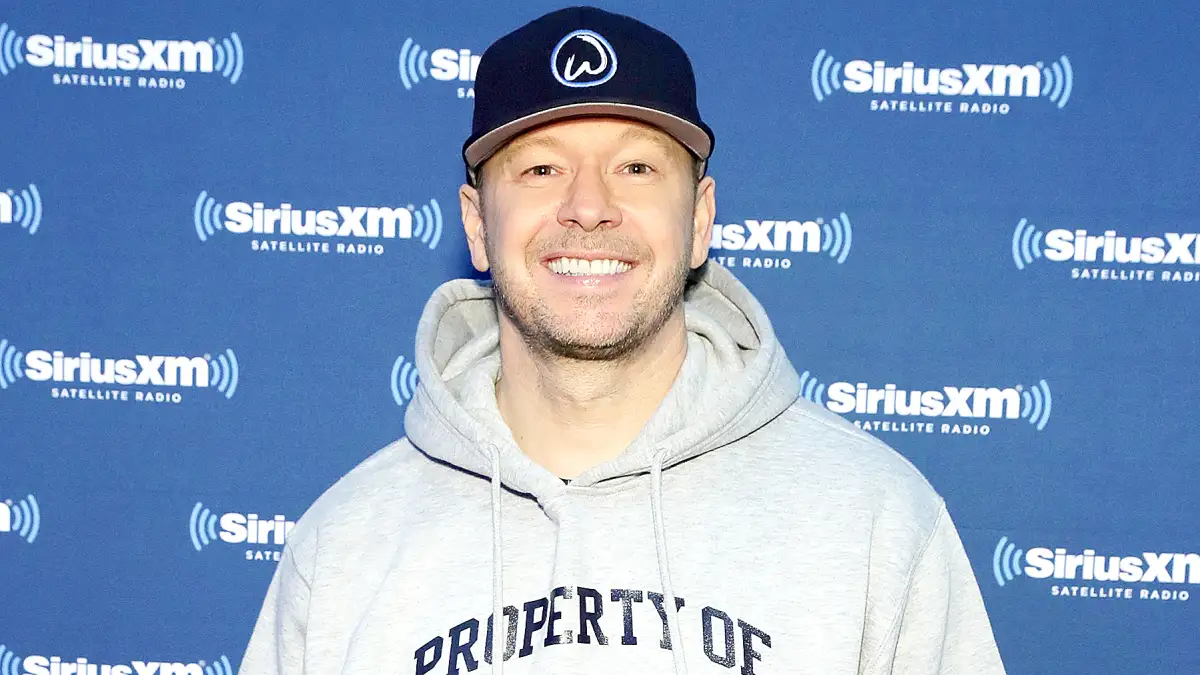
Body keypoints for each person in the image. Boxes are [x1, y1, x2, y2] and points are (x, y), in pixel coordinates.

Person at [237, 6, 1007, 674]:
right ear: (475, 223)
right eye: (541, 169)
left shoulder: (874, 521)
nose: (588, 206)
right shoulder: (342, 549)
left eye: (635, 167)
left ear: (699, 218)